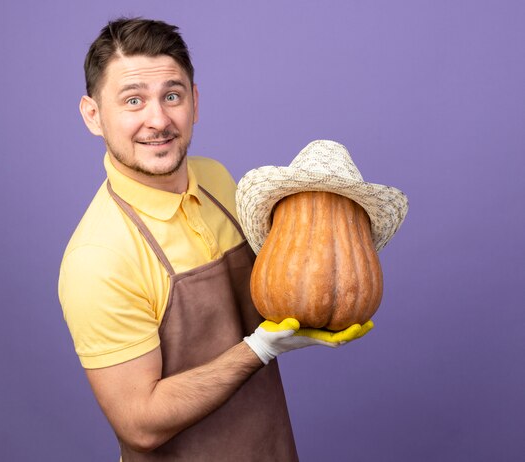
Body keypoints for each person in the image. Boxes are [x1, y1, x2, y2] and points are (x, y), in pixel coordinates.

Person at [58, 17, 372, 461]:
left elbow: (285, 280)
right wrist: (260, 348)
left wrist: (336, 260)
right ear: (94, 115)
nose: (159, 120)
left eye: (172, 95)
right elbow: (140, 425)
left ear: (195, 101)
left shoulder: (217, 180)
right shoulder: (99, 258)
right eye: (133, 100)